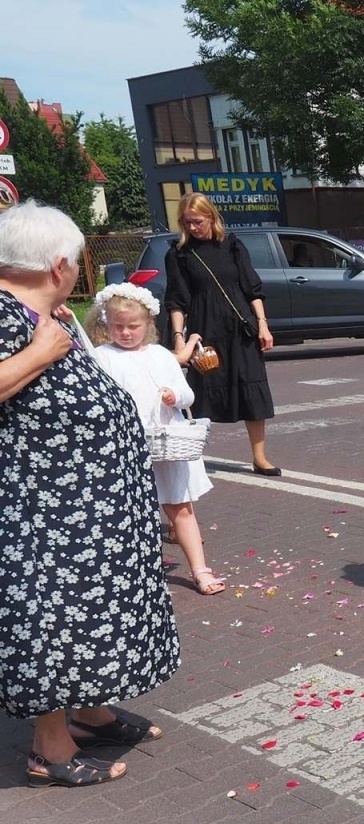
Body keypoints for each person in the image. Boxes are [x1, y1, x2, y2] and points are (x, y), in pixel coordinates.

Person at [0, 201, 178, 787]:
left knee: (89, 614)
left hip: (87, 505)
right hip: (47, 509)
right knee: (55, 615)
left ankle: (91, 711)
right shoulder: (5, 315)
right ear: (58, 266)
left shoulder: (42, 309)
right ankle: (49, 748)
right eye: (75, 261)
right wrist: (37, 354)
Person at [88, 283, 224, 596]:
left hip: (168, 442)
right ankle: (133, 573)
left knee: (181, 508)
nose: (125, 333)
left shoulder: (162, 355)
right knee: (130, 512)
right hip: (129, 445)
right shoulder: (102, 357)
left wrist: (173, 395)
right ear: (106, 324)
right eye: (117, 326)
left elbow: (188, 393)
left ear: (149, 324)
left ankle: (200, 569)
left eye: (133, 326)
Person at [163, 191, 280, 476]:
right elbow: (177, 300)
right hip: (205, 331)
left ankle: (259, 457)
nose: (192, 227)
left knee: (252, 389)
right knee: (203, 394)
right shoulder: (179, 254)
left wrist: (262, 324)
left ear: (211, 217)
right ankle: (195, 457)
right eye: (186, 222)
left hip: (240, 328)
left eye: (197, 221)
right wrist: (179, 337)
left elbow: (252, 288)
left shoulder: (232, 245)